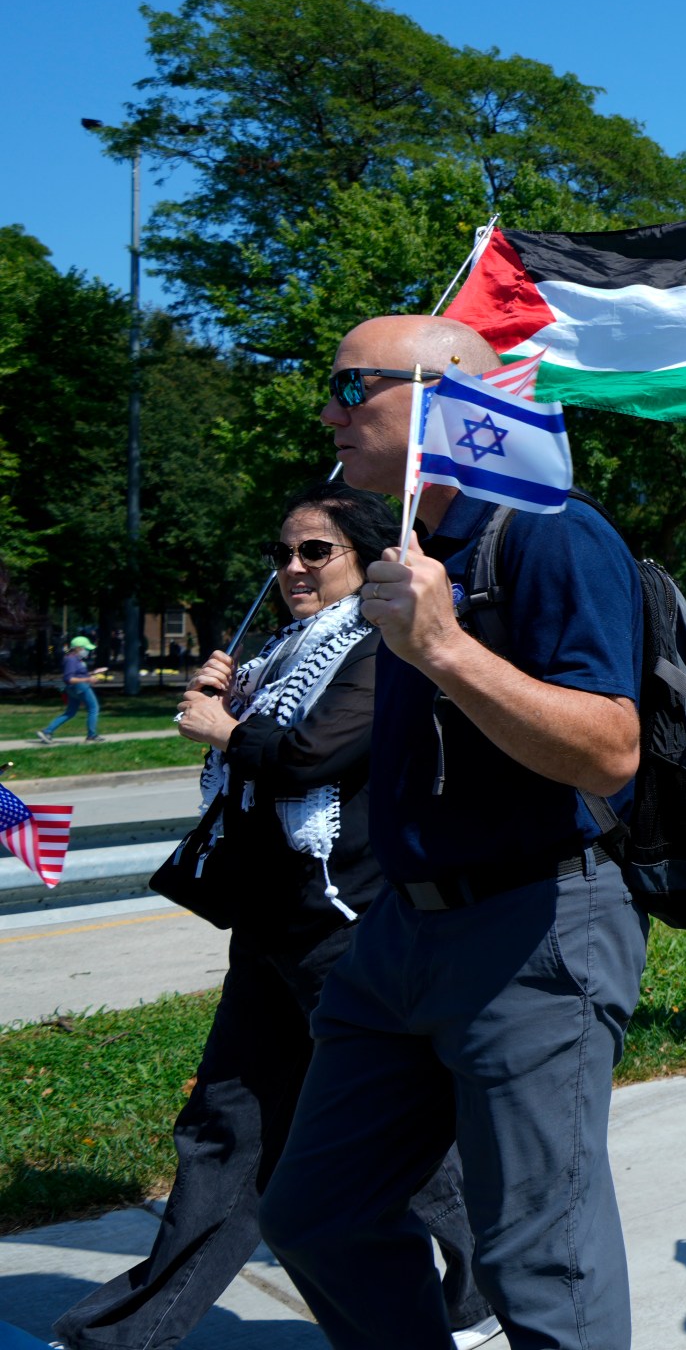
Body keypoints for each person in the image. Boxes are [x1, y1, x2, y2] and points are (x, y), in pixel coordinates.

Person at [260, 314, 646, 1347]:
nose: (327, 409)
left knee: (539, 1264)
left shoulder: (552, 529)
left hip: (533, 928)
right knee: (316, 1215)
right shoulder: (410, 542)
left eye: (350, 386)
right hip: (399, 936)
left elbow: (611, 751)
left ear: (441, 402)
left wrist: (442, 647)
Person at [54, 485, 495, 1350]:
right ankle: (130, 1332)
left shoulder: (387, 645)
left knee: (385, 1138)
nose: (291, 568)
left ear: (367, 558)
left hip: (348, 926)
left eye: (314, 552)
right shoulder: (281, 656)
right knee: (226, 1126)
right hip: (270, 923)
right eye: (284, 553)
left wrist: (225, 730)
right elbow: (261, 764)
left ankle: (478, 1287)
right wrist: (224, 702)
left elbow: (311, 755)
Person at [36, 633, 106, 743]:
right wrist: (88, 679)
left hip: (75, 688)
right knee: (94, 708)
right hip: (79, 687)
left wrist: (93, 673)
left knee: (70, 712)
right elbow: (69, 678)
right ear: (78, 648)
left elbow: (78, 674)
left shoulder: (77, 660)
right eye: (86, 648)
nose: (88, 651)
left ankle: (47, 732)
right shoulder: (71, 659)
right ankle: (91, 735)